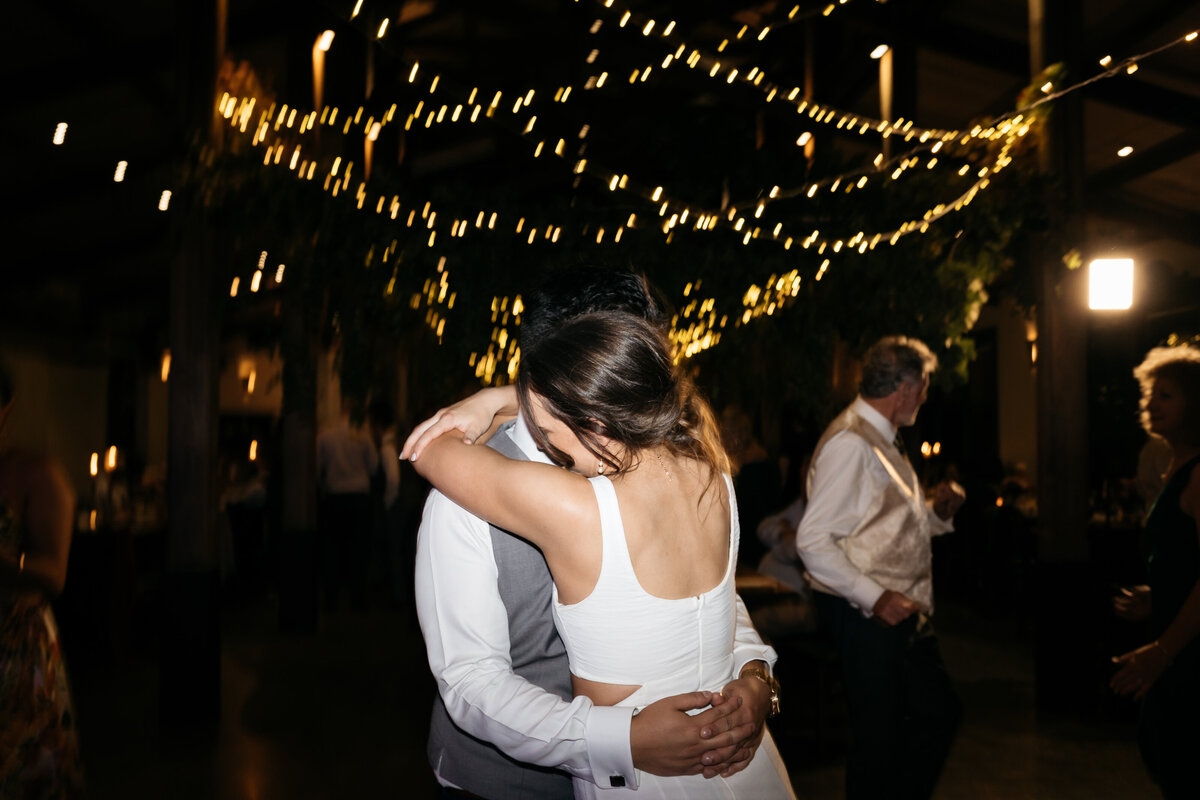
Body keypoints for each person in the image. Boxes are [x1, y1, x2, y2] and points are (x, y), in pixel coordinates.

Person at [405, 310, 794, 799]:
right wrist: (757, 673)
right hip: (745, 770)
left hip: (647, 782)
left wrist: (495, 398)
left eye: (550, 429)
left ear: (593, 416)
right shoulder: (711, 467)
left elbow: (427, 450)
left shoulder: (575, 506)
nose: (552, 450)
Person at [795, 335, 966, 800]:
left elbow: (884, 532)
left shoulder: (884, 439)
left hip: (898, 612)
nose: (926, 398)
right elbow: (812, 541)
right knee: (880, 737)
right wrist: (876, 597)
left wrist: (938, 516)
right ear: (907, 389)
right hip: (866, 614)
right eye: (925, 387)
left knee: (928, 716)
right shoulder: (851, 443)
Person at [1111, 345, 1200, 798]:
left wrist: (1162, 652)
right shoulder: (1175, 466)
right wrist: (1158, 592)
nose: (1151, 404)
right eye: (1151, 394)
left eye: (1166, 395)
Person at [0, 360, 87, 797]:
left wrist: (4, 562)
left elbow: (54, 575)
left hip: (18, 647)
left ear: (5, 407)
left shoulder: (37, 473)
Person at [316, 406, 378, 612]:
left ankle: (331, 599)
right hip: (359, 497)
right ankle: (358, 598)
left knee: (333, 549)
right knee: (359, 550)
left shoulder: (325, 437)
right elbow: (374, 466)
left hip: (334, 498)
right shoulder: (363, 436)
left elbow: (318, 468)